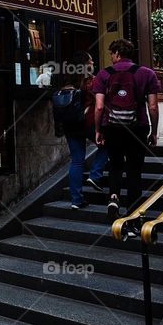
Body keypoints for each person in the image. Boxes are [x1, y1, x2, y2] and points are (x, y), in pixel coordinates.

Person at [93, 39, 160, 232]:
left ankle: (114, 197)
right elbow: (153, 107)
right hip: (137, 126)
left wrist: (98, 130)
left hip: (112, 127)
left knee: (114, 165)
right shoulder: (147, 73)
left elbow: (99, 107)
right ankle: (133, 220)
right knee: (134, 172)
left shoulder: (103, 74)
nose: (111, 57)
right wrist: (154, 132)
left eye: (112, 54)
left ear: (116, 53)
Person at [55, 52, 109, 209]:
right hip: (87, 123)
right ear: (85, 64)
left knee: (77, 161)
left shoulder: (66, 83)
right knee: (108, 144)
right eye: (91, 61)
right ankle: (95, 174)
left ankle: (76, 200)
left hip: (69, 125)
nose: (93, 63)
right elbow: (100, 104)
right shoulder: (92, 82)